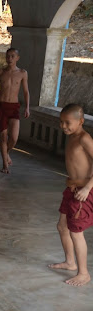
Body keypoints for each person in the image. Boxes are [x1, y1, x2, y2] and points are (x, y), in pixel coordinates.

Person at [48, 104, 93, 287]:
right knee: (62, 226)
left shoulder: (84, 138)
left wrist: (88, 188)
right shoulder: (72, 137)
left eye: (68, 122)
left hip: (84, 191)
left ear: (81, 121)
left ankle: (83, 273)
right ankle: (70, 262)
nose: (63, 126)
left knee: (76, 232)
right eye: (61, 122)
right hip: (72, 189)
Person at [0, 48, 30, 174]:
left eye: (12, 56)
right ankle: (5, 165)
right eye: (8, 56)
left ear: (17, 58)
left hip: (14, 107)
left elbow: (25, 91)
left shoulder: (22, 73)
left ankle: (6, 152)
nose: (9, 59)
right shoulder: (0, 72)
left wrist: (27, 107)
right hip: (1, 106)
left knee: (13, 138)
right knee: (3, 137)